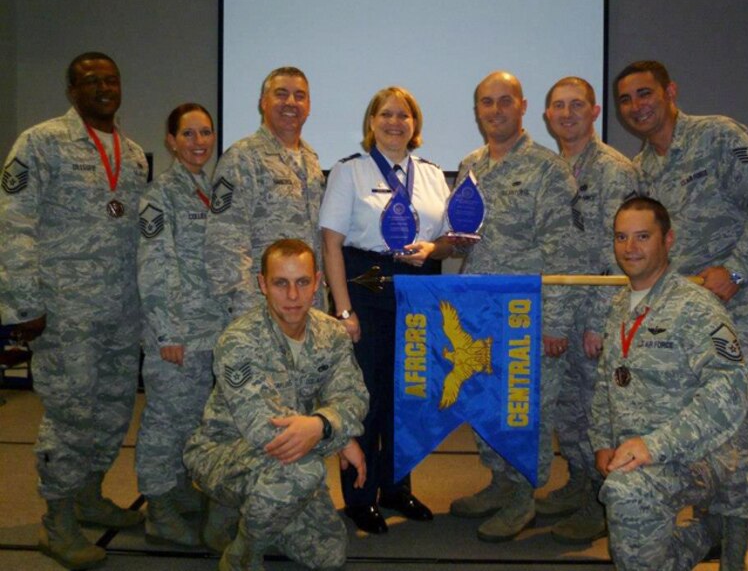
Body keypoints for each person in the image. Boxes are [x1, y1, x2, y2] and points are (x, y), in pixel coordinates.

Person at [615, 60, 748, 568]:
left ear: (670, 91)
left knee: (737, 420)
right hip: (681, 318)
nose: (636, 107)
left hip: (740, 305)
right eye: (626, 100)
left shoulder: (718, 138)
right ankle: (729, 520)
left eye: (645, 93)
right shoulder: (641, 168)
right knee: (699, 423)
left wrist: (735, 272)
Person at [0, 51, 149, 569]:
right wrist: (23, 302)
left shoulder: (131, 154)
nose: (104, 88)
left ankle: (89, 496)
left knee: (110, 413)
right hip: (65, 313)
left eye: (111, 79)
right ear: (72, 90)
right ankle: (56, 521)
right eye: (91, 81)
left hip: (119, 312)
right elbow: (13, 224)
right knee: (69, 415)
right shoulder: (40, 143)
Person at [448, 71, 585, 542]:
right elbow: (463, 239)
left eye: (505, 101)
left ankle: (523, 496)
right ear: (477, 110)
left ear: (523, 107)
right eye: (486, 102)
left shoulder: (549, 169)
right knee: (485, 404)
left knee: (526, 411)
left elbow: (564, 252)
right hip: (479, 317)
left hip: (528, 318)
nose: (495, 110)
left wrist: (555, 321)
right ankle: (499, 483)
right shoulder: (470, 166)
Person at [184, 239, 368, 570]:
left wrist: (324, 425)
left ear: (318, 281)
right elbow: (266, 431)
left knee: (329, 555)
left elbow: (354, 396)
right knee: (302, 473)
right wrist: (340, 437)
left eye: (302, 282)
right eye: (281, 283)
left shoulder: (331, 334)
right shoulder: (239, 340)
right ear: (262, 284)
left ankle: (247, 513)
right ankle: (243, 554)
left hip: (294, 451)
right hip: (223, 452)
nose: (293, 296)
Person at [320, 86, 452, 534]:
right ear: (371, 122)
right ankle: (360, 497)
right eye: (386, 114)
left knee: (409, 395)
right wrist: (343, 311)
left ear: (415, 125)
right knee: (367, 398)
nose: (395, 122)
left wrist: (436, 246)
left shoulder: (433, 175)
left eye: (404, 115)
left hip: (420, 292)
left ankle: (397, 488)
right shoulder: (348, 172)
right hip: (367, 290)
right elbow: (331, 244)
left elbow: (456, 239)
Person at [590, 196, 747, 570]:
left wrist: (653, 446)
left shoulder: (697, 307)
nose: (630, 248)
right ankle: (707, 536)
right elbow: (605, 383)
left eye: (642, 236)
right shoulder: (618, 306)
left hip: (696, 453)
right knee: (634, 547)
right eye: (621, 237)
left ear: (668, 240)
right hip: (635, 450)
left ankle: (706, 535)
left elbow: (729, 393)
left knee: (626, 495)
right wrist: (601, 443)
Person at [539, 77, 640, 544]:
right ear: (546, 116)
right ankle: (581, 482)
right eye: (558, 106)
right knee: (566, 409)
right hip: (560, 309)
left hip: (595, 315)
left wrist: (600, 322)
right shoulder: (552, 168)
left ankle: (604, 500)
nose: (566, 113)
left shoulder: (612, 170)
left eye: (576, 105)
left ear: (594, 111)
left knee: (596, 409)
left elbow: (617, 251)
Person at [135, 103, 225, 546]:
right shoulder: (161, 194)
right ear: (171, 140)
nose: (198, 142)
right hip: (178, 333)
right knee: (166, 421)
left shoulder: (211, 189)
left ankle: (178, 488)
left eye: (205, 133)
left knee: (196, 419)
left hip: (212, 329)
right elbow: (155, 264)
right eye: (188, 134)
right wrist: (167, 332)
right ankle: (159, 507)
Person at [205, 66, 326, 324]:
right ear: (263, 102)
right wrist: (248, 313)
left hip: (307, 307)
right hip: (261, 308)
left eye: (299, 96)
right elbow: (224, 241)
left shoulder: (311, 160)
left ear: (309, 105)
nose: (291, 102)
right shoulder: (241, 158)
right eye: (281, 94)